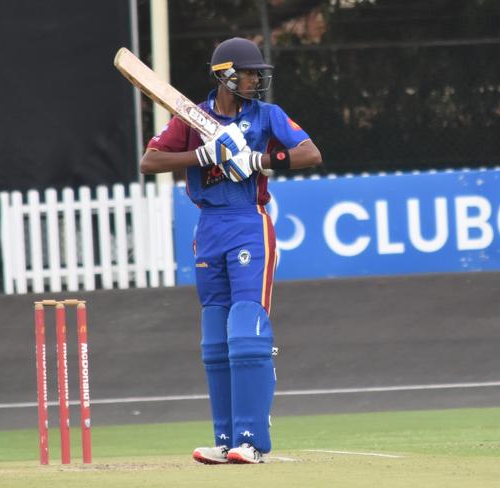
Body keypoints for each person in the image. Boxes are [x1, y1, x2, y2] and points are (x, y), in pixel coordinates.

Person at [140, 37, 322, 464]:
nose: (256, 79)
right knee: (214, 337)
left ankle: (252, 441)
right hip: (209, 226)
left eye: (258, 73)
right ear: (226, 75)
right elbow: (150, 162)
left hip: (247, 222)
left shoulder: (266, 116)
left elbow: (309, 153)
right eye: (249, 72)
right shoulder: (192, 119)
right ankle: (225, 441)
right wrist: (201, 154)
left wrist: (261, 160)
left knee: (245, 330)